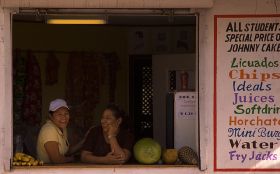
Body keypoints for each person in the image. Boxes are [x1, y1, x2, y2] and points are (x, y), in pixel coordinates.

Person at [37, 98, 89, 164]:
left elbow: (67, 151)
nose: (64, 117)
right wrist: (72, 159)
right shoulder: (49, 130)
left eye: (66, 114)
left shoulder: (62, 128)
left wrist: (84, 140)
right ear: (51, 116)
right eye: (59, 114)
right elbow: (56, 159)